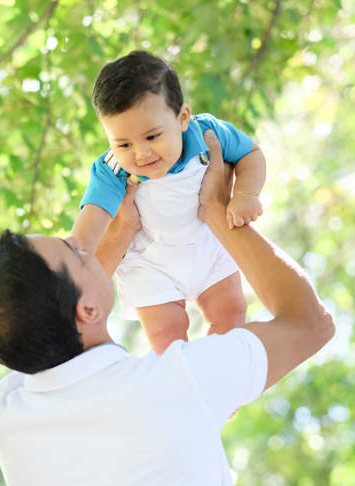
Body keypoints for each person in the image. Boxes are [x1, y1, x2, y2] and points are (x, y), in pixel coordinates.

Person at [0, 132, 334, 486]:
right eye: (76, 251)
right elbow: (311, 324)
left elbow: (34, 324)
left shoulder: (6, 413)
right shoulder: (174, 386)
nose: (87, 246)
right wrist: (216, 210)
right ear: (84, 311)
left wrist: (124, 228)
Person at [72, 50, 267, 354]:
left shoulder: (208, 133)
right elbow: (87, 230)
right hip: (152, 265)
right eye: (123, 144)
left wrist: (245, 194)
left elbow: (251, 154)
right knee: (166, 338)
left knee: (231, 315)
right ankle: (184, 389)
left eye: (152, 137)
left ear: (183, 117)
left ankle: (222, 381)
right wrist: (75, 261)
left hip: (209, 246)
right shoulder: (111, 170)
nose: (141, 154)